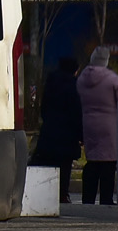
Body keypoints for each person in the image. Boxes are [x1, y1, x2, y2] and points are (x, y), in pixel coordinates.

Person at [76, 47, 118, 205]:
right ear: (106, 61)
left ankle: (88, 198)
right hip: (109, 126)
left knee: (92, 161)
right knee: (108, 162)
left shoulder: (82, 79)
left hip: (89, 124)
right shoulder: (112, 79)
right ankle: (106, 199)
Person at [29, 57, 81, 203]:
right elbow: (76, 112)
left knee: (48, 163)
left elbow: (43, 108)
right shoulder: (73, 86)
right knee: (65, 166)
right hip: (67, 134)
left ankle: (45, 194)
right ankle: (62, 194)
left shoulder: (50, 84)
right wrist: (81, 134)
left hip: (50, 131)